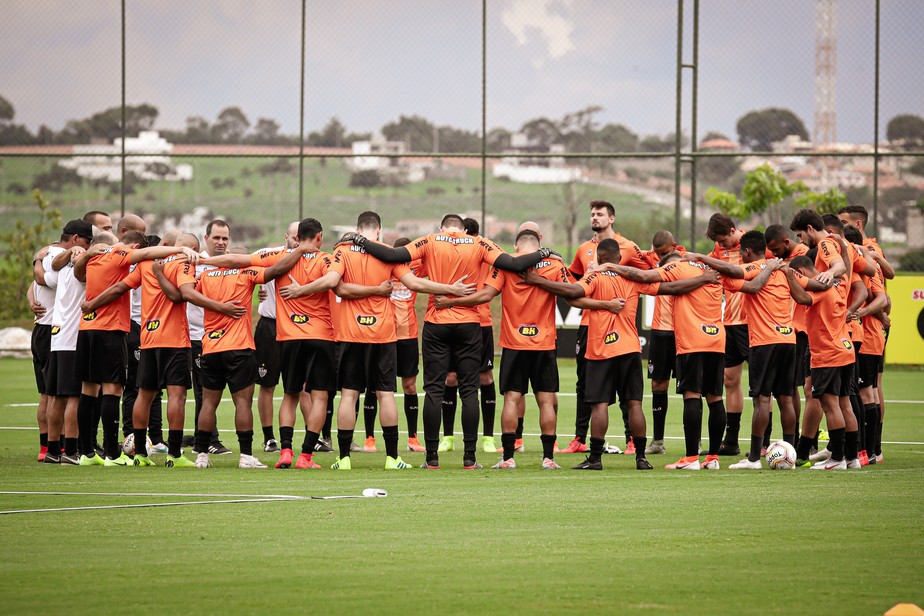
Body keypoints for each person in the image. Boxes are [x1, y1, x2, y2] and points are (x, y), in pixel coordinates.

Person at [343, 213, 555, 469]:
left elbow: (392, 255)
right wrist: (544, 253)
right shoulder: (480, 243)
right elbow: (513, 262)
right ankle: (469, 458)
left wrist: (359, 240)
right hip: (469, 324)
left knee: (434, 389)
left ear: (442, 227)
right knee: (468, 391)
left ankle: (431, 458)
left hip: (437, 322)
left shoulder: (430, 240)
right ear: (464, 229)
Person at [285, 212, 477, 470]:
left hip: (351, 333)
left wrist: (299, 290)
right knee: (386, 395)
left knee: (349, 395)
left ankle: (343, 459)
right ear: (379, 230)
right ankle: (391, 458)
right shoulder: (387, 253)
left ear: (357, 228)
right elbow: (414, 283)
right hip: (383, 333)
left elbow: (333, 283)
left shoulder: (343, 250)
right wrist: (451, 289)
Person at [533, 242, 721, 470]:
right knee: (634, 404)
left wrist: (538, 280)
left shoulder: (595, 277)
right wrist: (703, 279)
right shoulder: (632, 280)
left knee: (599, 405)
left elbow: (573, 293)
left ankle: (595, 458)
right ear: (619, 257)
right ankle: (641, 457)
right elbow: (673, 288)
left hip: (601, 350)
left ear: (599, 258)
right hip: (630, 349)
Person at [82, 233, 246, 467]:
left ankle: (140, 453)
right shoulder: (183, 264)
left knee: (145, 395)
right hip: (174, 339)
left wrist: (91, 304)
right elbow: (183, 296)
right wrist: (222, 308)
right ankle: (175, 454)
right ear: (193, 250)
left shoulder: (146, 264)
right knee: (176, 396)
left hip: (148, 337)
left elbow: (119, 288)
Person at [435, 228, 574, 469]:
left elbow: (484, 296)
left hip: (514, 343)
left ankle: (508, 457)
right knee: (546, 401)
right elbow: (572, 293)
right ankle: (548, 458)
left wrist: (451, 301)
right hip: (544, 343)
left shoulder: (506, 265)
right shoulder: (553, 263)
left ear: (517, 246)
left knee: (511, 398)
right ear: (539, 243)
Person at [170, 243, 308, 469]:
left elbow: (185, 295)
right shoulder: (247, 271)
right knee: (242, 402)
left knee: (208, 404)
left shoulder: (206, 275)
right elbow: (275, 270)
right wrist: (299, 251)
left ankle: (202, 454)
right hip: (239, 347)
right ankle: (245, 456)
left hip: (211, 346)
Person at [72, 226, 198, 466]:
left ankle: (97, 452)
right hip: (138, 333)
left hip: (111, 332)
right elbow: (179, 295)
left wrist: (91, 303)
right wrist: (181, 251)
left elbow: (97, 279)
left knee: (107, 391)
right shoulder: (131, 256)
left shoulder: (101, 258)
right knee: (169, 394)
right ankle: (162, 454)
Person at [688, 231, 800, 469]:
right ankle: (791, 452)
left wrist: (701, 257)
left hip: (765, 341)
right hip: (788, 339)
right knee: (786, 398)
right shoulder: (782, 271)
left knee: (761, 399)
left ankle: (753, 459)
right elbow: (804, 295)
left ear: (747, 252)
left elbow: (737, 273)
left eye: (741, 253)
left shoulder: (757, 267)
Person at [561, 200, 650, 456]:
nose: (594, 218)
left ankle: (631, 440)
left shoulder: (629, 247)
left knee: (626, 394)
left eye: (599, 214)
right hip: (589, 324)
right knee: (584, 386)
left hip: (618, 323)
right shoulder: (583, 249)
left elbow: (648, 273)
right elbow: (573, 279)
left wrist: (612, 269)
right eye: (592, 214)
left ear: (611, 218)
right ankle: (579, 438)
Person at [783, 256, 855, 470]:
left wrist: (788, 275)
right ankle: (852, 458)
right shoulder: (837, 283)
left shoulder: (821, 285)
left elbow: (802, 298)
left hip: (827, 353)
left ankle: (837, 459)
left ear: (803, 272)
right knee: (845, 404)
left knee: (830, 405)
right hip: (845, 349)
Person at [438, 218, 499, 454]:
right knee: (451, 378)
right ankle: (448, 437)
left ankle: (488, 437)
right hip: (452, 319)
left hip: (481, 323)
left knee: (485, 378)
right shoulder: (449, 252)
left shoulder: (485, 250)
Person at [838, 204, 892, 463]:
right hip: (869, 332)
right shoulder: (868, 254)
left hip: (866, 334)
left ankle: (867, 450)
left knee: (865, 391)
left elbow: (882, 297)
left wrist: (864, 312)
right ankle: (870, 450)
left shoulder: (866, 251)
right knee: (868, 389)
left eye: (843, 223)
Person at [36, 220, 93, 464]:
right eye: (88, 242)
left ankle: (51, 450)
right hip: (71, 338)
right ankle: (70, 451)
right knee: (73, 397)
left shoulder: (59, 267)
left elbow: (39, 279)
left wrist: (38, 259)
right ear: (77, 239)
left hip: (57, 337)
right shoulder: (80, 269)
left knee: (54, 397)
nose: (90, 246)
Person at [183, 220, 233, 455]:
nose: (221, 242)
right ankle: (208, 440)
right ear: (206, 239)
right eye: (217, 238)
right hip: (198, 336)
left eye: (225, 238)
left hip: (226, 337)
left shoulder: (230, 263)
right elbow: (187, 294)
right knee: (204, 389)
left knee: (217, 389)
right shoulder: (195, 263)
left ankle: (201, 438)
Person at [703, 214, 748, 456]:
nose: (720, 246)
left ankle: (766, 443)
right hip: (728, 323)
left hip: (754, 324)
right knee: (730, 380)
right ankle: (731, 441)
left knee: (764, 388)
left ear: (733, 231)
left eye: (723, 241)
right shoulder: (718, 251)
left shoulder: (754, 244)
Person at [254, 221, 300, 453]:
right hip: (270, 327)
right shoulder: (269, 254)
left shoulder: (311, 260)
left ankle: (311, 439)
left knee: (300, 387)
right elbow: (241, 262)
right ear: (286, 237)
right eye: (294, 237)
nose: (297, 242)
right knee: (267, 384)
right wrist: (255, 287)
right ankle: (269, 437)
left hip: (298, 329)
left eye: (301, 238)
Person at [641, 230, 686, 455]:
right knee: (658, 384)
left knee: (690, 389)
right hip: (660, 331)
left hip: (683, 330)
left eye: (664, 253)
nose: (659, 257)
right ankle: (657, 442)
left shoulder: (687, 261)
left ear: (675, 246)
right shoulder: (654, 258)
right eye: (656, 254)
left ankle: (694, 442)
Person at [764, 224, 809, 447]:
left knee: (798, 389)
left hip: (800, 329)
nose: (772, 254)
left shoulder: (801, 253)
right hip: (786, 329)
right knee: (787, 389)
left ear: (786, 241)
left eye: (775, 248)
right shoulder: (778, 259)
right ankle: (793, 440)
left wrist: (777, 266)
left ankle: (800, 439)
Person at [390, 237, 426, 452]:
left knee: (410, 386)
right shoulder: (384, 266)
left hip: (409, 334)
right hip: (384, 334)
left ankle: (413, 438)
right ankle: (370, 439)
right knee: (379, 389)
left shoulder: (417, 268)